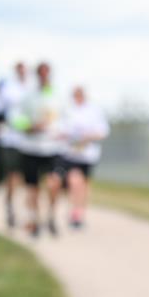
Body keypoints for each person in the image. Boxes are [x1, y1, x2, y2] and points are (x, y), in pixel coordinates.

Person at [8, 62, 63, 238]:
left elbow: (67, 120)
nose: (44, 77)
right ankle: (35, 221)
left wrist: (62, 133)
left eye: (46, 73)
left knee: (53, 184)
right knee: (33, 188)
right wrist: (29, 126)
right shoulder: (28, 96)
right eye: (41, 73)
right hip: (31, 148)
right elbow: (15, 117)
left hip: (52, 148)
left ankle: (51, 216)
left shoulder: (58, 96)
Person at [56, 86, 109, 229]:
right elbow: (59, 130)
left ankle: (80, 213)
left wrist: (87, 137)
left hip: (88, 155)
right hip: (71, 154)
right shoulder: (67, 110)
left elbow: (102, 132)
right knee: (74, 182)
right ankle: (74, 212)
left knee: (84, 186)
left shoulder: (94, 111)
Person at [0, 62, 30, 228]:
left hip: (30, 141)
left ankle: (24, 210)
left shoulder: (33, 88)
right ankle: (11, 207)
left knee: (26, 178)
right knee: (13, 175)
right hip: (10, 140)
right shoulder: (7, 88)